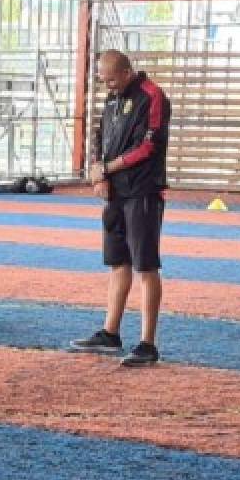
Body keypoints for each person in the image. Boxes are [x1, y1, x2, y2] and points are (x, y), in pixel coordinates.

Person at [71, 50, 171, 367]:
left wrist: (109, 167)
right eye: (103, 80)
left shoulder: (153, 96)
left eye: (112, 79)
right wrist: (98, 172)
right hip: (115, 193)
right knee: (118, 263)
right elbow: (101, 136)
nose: (108, 86)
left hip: (142, 191)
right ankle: (110, 333)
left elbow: (149, 145)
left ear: (127, 72)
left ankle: (147, 343)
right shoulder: (112, 98)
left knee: (145, 266)